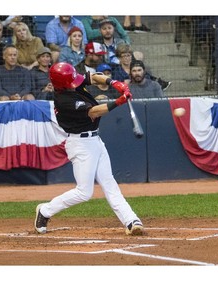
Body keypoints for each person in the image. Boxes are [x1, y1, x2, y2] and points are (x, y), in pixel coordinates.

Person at [34, 62, 144, 236]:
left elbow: (92, 77)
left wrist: (114, 83)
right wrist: (119, 101)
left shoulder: (71, 83)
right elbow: (94, 112)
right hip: (80, 145)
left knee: (109, 183)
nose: (76, 82)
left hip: (95, 140)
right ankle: (45, 210)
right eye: (72, 80)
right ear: (63, 84)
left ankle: (131, 220)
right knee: (84, 192)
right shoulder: (64, 101)